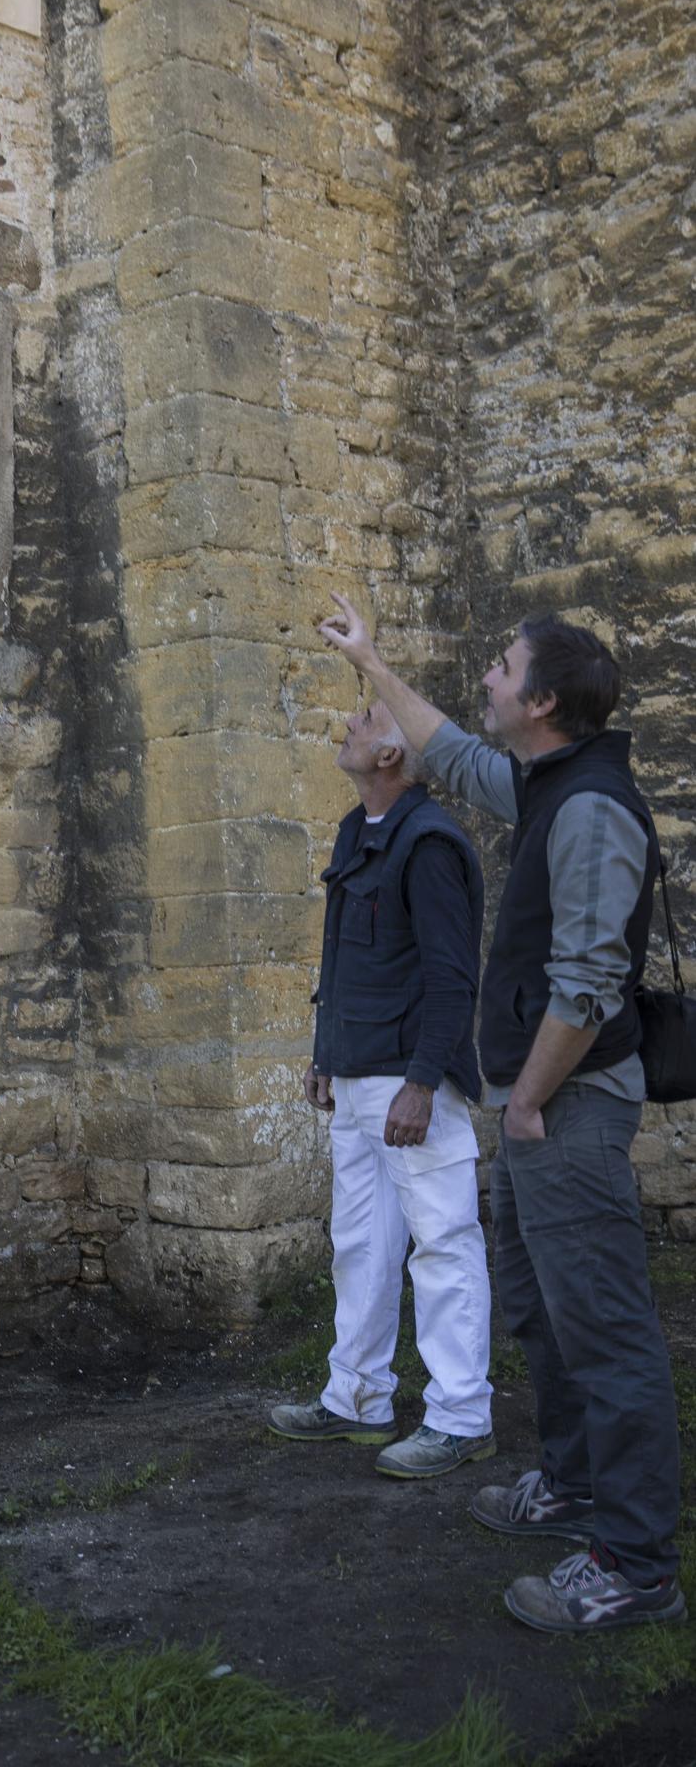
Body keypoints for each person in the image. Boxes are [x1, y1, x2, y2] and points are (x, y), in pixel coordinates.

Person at [318, 593, 685, 1633]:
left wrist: (522, 1098)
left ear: (545, 700)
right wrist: (372, 661)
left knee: (605, 1330)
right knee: (545, 1308)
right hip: (536, 1107)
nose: (486, 676)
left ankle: (635, 1561)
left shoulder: (593, 810)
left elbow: (585, 982)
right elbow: (451, 750)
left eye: (500, 665)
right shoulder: (546, 781)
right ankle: (570, 1485)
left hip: (563, 1106)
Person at [268, 699, 494, 1480]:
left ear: (392, 756)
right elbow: (341, 957)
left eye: (365, 721)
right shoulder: (352, 832)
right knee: (359, 1246)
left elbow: (451, 975)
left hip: (408, 1083)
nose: (348, 724)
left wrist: (424, 1082)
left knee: (442, 1242)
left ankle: (461, 1415)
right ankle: (356, 1398)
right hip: (356, 1075)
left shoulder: (430, 844)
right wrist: (323, 1052)